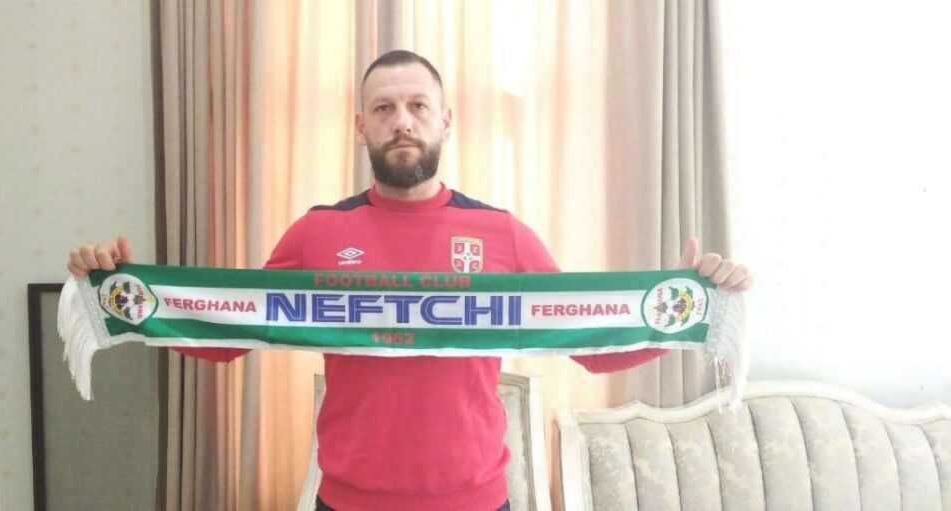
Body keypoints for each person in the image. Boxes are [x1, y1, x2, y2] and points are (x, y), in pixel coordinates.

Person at [68, 50, 752, 511]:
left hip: (476, 501)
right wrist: (124, 294)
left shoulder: (503, 235)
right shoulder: (316, 234)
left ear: (445, 122)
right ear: (359, 126)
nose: (402, 122)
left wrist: (693, 305)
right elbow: (227, 331)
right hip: (348, 501)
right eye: (384, 108)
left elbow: (593, 343)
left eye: (419, 107)